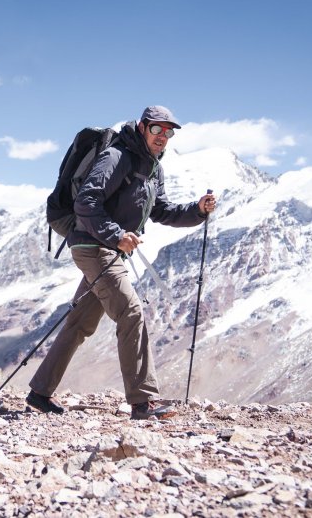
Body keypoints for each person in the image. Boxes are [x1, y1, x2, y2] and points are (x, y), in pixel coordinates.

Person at [27, 105, 216, 420]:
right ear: (142, 127)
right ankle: (143, 402)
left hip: (107, 248)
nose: (162, 136)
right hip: (94, 247)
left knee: (79, 323)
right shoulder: (117, 157)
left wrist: (196, 210)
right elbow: (86, 201)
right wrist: (116, 235)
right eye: (156, 129)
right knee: (131, 313)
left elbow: (161, 210)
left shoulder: (153, 168)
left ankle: (40, 392)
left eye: (168, 132)